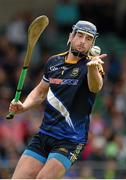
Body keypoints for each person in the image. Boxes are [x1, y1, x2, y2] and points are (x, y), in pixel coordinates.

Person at [8, 20, 107, 179]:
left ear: (92, 44)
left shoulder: (93, 66)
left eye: (88, 38)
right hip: (44, 135)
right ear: (70, 37)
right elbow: (40, 91)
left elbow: (96, 87)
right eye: (80, 36)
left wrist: (93, 68)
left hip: (70, 141)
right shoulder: (53, 62)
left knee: (43, 178)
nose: (83, 41)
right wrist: (24, 106)